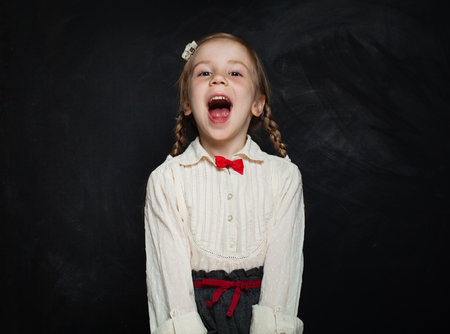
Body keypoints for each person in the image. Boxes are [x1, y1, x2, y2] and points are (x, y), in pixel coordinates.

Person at [144, 32, 305, 334]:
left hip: (261, 320)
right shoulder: (167, 180)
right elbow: (169, 288)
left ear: (257, 103)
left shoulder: (283, 178)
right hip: (194, 319)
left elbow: (283, 280)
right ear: (187, 102)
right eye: (205, 72)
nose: (218, 79)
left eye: (234, 72)